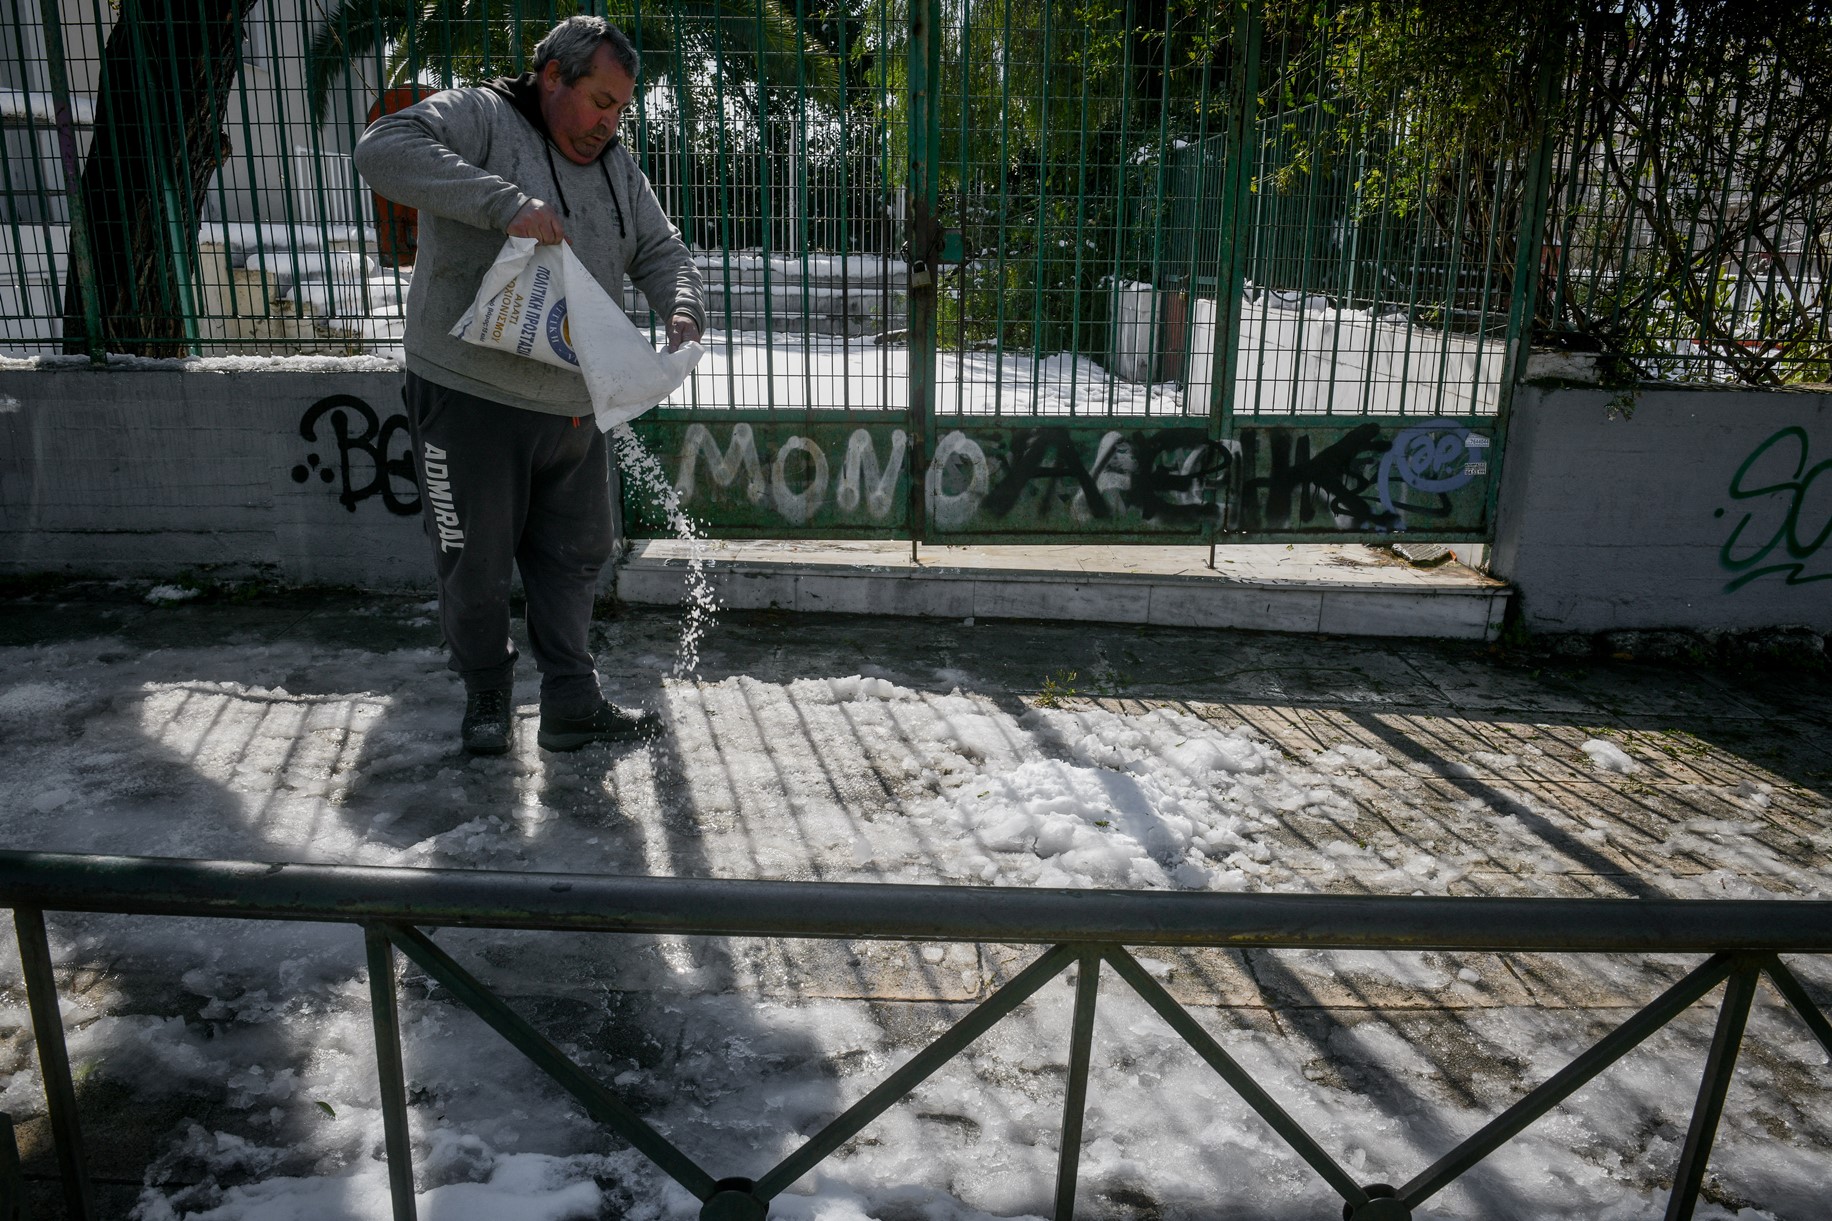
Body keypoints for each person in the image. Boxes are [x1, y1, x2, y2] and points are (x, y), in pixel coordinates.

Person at [354, 16, 704, 755]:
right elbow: (383, 149)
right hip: (469, 398)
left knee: (577, 557)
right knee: (473, 560)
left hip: (572, 409)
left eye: (620, 108)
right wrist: (504, 204)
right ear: (551, 76)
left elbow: (660, 247)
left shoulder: (614, 166)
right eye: (598, 100)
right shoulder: (481, 117)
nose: (609, 122)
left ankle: (572, 701)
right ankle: (486, 692)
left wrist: (681, 303)